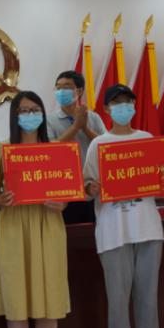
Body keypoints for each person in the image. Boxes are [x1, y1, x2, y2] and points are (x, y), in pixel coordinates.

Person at [84, 84, 164, 328]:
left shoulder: (147, 140)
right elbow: (86, 186)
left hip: (147, 227)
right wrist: (91, 187)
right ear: (106, 109)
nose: (123, 107)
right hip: (113, 229)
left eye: (128, 102)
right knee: (117, 294)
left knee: (147, 292)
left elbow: (162, 179)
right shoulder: (98, 144)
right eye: (117, 103)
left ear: (135, 106)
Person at [0, 91, 69, 328]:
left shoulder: (56, 149)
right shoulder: (2, 148)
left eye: (35, 109)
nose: (30, 115)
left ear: (43, 113)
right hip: (14, 227)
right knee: (16, 296)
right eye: (23, 110)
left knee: (48, 295)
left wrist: (62, 202)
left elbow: (68, 191)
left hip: (48, 226)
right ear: (14, 115)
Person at [45, 70, 106, 225]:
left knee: (92, 232)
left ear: (79, 91)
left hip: (92, 187)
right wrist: (76, 127)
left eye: (66, 87)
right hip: (63, 188)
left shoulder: (93, 117)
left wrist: (84, 128)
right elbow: (50, 150)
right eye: (58, 87)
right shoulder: (49, 120)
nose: (61, 91)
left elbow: (104, 146)